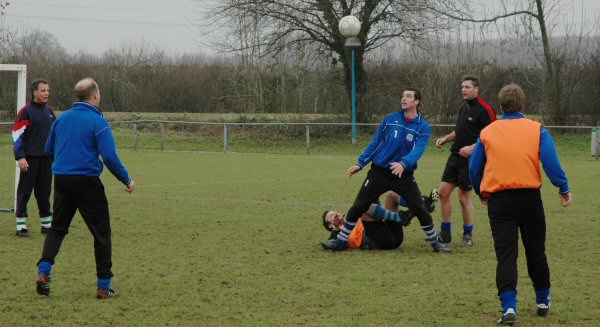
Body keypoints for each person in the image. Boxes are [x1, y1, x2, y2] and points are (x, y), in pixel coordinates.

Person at [469, 84, 572, 325]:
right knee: (536, 250)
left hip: (499, 200)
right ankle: (542, 300)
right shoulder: (537, 129)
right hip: (529, 199)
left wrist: (481, 192)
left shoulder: (488, 132)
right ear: (523, 106)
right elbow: (551, 162)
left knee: (506, 255)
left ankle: (509, 308)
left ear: (501, 106)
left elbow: (474, 169)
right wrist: (563, 187)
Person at [35, 78, 135, 299]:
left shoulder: (61, 119)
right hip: (87, 181)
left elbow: (48, 149)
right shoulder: (98, 122)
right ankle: (103, 286)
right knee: (101, 233)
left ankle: (43, 272)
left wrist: (62, 165)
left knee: (57, 228)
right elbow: (109, 156)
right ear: (95, 95)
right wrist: (127, 180)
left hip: (61, 179)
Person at [321, 88, 451, 253]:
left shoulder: (423, 127)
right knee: (359, 205)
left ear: (417, 102)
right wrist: (360, 163)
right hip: (379, 172)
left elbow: (418, 150)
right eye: (403, 95)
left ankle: (435, 243)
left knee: (419, 208)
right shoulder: (390, 119)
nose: (403, 99)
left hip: (403, 174)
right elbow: (375, 143)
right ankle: (340, 243)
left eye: (408, 96)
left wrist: (403, 164)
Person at [435, 75, 496, 247]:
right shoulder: (464, 108)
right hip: (455, 157)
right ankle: (445, 233)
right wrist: (445, 139)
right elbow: (459, 131)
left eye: (467, 87)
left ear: (477, 89)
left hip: (471, 160)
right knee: (443, 193)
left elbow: (493, 137)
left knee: (463, 198)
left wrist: (472, 148)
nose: (463, 90)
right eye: (462, 87)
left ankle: (468, 235)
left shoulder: (485, 109)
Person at [322, 190, 439, 250]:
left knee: (391, 196)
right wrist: (337, 228)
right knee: (363, 206)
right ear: (331, 226)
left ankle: (420, 205)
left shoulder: (351, 217)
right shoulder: (339, 235)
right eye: (332, 216)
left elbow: (376, 215)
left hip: (392, 234)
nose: (336, 214)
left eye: (334, 212)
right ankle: (410, 213)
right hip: (381, 242)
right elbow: (329, 242)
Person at [12, 79, 56, 237]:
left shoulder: (50, 113)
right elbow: (17, 135)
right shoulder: (26, 111)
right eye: (43, 90)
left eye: (48, 90)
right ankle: (21, 226)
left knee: (44, 192)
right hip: (29, 160)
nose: (47, 93)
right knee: (24, 192)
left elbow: (55, 137)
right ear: (34, 92)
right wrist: (20, 157)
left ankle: (46, 224)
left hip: (46, 161)